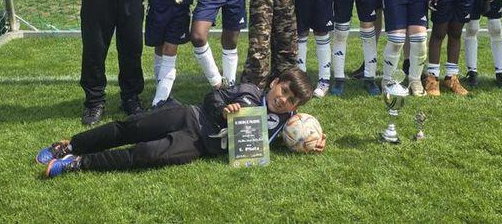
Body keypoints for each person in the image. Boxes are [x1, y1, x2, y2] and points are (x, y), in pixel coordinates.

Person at [37, 68, 324, 177]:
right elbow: (212, 96)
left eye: (291, 100)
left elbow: (298, 136)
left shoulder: (287, 123)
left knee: (145, 154)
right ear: (274, 83)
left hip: (197, 144)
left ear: (296, 107)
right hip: (190, 116)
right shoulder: (249, 91)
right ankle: (70, 145)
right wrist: (224, 109)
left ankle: (78, 163)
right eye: (283, 91)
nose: (283, 100)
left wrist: (312, 142)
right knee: (131, 128)